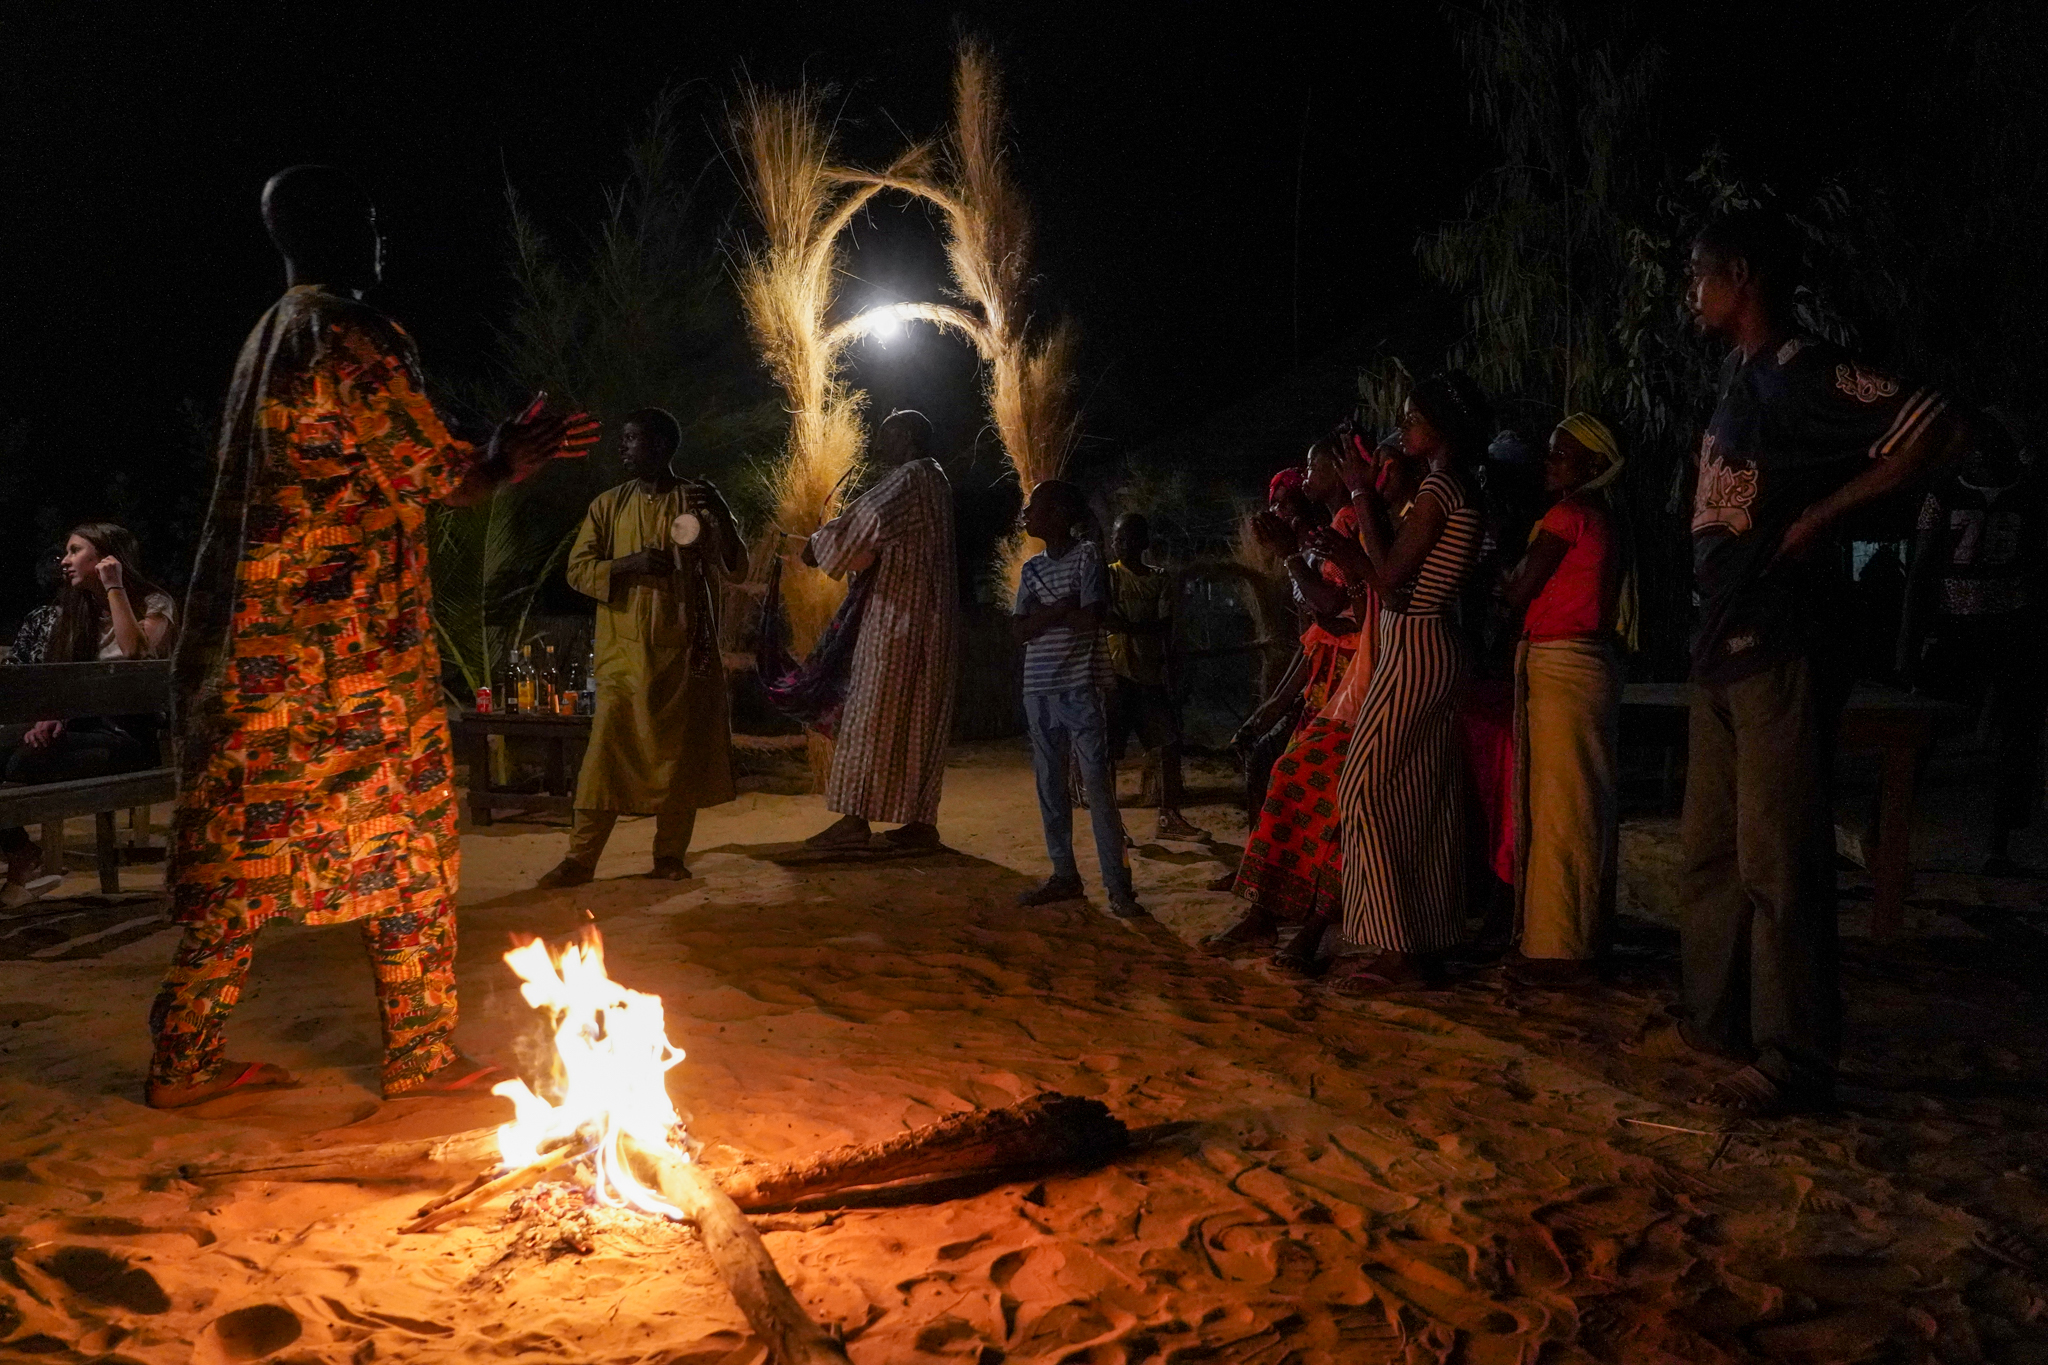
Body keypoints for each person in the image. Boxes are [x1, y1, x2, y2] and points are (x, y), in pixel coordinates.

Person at [150, 165, 596, 1109]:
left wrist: (482, 450)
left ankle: (183, 1061)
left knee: (242, 856)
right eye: (369, 217)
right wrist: (508, 461)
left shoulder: (267, 336)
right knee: (412, 843)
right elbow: (434, 475)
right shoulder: (351, 333)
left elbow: (390, 450)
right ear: (340, 233)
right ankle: (420, 1052)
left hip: (258, 657)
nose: (382, 234)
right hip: (345, 655)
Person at [1678, 208, 1962, 1117]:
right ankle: (1720, 1023)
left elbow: (1937, 425)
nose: (1694, 292)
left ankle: (1793, 1054)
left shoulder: (1807, 373)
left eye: (1701, 275)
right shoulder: (1741, 380)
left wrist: (1824, 515)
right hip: (1722, 647)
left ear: (1744, 277)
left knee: (1779, 860)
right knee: (1713, 857)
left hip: (1780, 645)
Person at [1302, 372, 1491, 988]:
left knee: (1364, 788)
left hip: (1417, 646)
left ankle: (1397, 951)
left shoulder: (1438, 489)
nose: (1403, 428)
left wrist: (1358, 493)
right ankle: (1425, 937)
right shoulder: (1454, 488)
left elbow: (1386, 578)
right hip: (1429, 643)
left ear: (1440, 429)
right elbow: (1392, 577)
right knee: (1418, 796)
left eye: (1412, 418)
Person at [1206, 441, 1417, 957]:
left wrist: (1292, 557)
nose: (1306, 475)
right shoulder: (1350, 528)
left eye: (1315, 466)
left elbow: (1338, 611)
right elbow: (1330, 621)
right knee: (1287, 776)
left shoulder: (1354, 527)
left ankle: (1310, 925)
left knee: (1324, 795)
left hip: (1367, 678)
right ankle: (1271, 909)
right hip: (1348, 677)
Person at [537, 408, 744, 888]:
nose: (623, 448)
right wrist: (626, 564)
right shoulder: (607, 505)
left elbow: (735, 567)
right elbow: (577, 569)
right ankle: (580, 859)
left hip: (685, 653)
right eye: (624, 439)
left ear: (663, 447)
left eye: (633, 439)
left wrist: (724, 515)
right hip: (623, 657)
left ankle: (669, 856)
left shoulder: (696, 501)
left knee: (680, 758)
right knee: (605, 756)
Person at [1499, 414, 1628, 985]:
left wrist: (1502, 581)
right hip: (1585, 662)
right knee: (1578, 803)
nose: (1549, 464)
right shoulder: (1602, 517)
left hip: (1564, 662)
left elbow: (1523, 586)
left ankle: (1561, 951)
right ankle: (1575, 938)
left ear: (1595, 467)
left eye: (1561, 455)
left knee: (1561, 808)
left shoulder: (1568, 516)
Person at [800, 410, 959, 851]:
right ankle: (920, 824)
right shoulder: (936, 480)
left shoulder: (909, 478)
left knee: (872, 716)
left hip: (897, 621)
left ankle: (854, 821)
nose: (879, 442)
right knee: (917, 721)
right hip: (930, 622)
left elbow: (862, 522)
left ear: (906, 437)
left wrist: (816, 546)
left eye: (887, 434)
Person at [2, 524, 178, 909]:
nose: (64, 561)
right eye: (65, 552)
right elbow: (68, 681)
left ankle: (21, 863)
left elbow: (135, 653)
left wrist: (114, 587)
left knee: (19, 761)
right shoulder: (75, 611)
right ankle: (20, 854)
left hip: (127, 740)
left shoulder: (154, 602)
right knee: (11, 754)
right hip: (81, 732)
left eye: (75, 550)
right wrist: (52, 718)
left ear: (107, 557)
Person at [1899, 419, 2045, 875]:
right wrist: (1909, 640)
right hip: (1955, 628)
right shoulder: (1941, 491)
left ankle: (1996, 848)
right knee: (1919, 735)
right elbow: (1921, 569)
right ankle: (1886, 836)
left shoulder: (2030, 496)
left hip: (2011, 628)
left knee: (2014, 740)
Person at [1012, 480, 1145, 917]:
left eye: (1034, 508)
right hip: (1040, 689)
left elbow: (1090, 620)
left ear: (1058, 514)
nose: (1027, 515)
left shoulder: (1088, 556)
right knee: (1051, 788)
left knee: (1098, 793)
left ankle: (1117, 886)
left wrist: (1043, 618)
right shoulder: (1031, 568)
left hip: (1079, 688)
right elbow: (1020, 630)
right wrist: (1060, 611)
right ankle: (1067, 876)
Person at [1103, 513, 1203, 841]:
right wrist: (1139, 628)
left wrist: (1127, 626)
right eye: (1118, 539)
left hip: (1148, 677)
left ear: (1144, 543)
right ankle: (1113, 825)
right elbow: (1106, 619)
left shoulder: (1159, 579)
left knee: (1168, 746)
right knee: (1109, 753)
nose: (1122, 545)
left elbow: (1162, 626)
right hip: (1115, 677)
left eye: (1129, 539)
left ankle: (1168, 817)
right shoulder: (1108, 577)